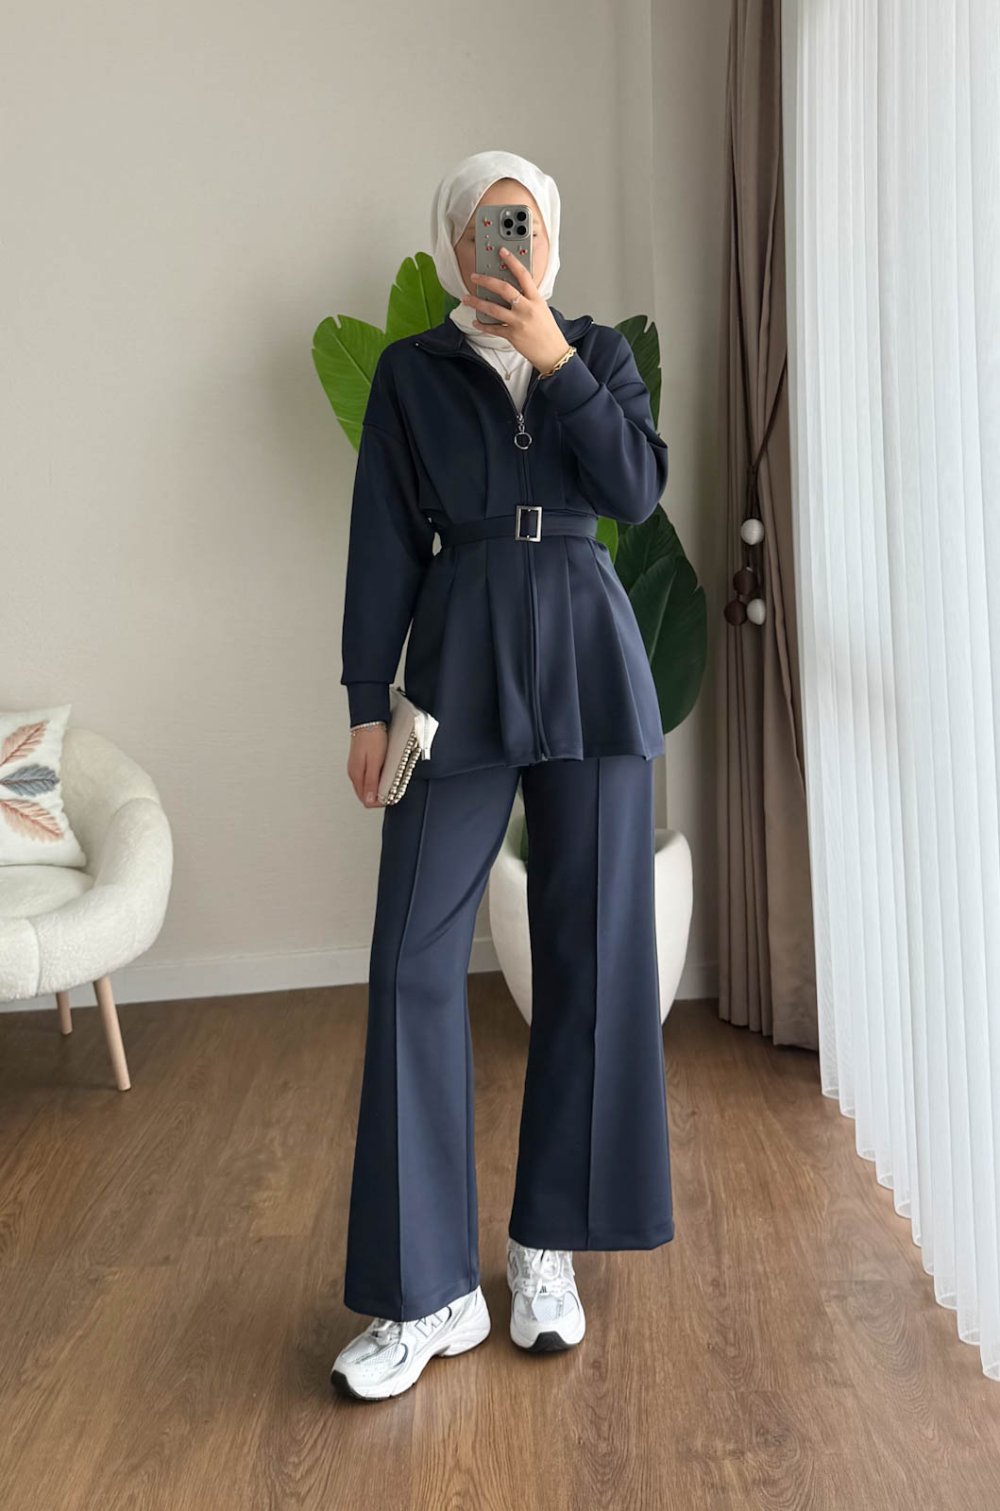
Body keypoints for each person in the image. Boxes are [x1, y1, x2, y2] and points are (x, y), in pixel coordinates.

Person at [331, 149, 674, 1403]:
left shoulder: (600, 355)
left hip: (589, 664)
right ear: (450, 247)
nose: (506, 248)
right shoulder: (409, 373)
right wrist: (366, 702)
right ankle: (426, 1292)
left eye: (523, 226)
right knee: (412, 959)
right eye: (484, 230)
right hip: (457, 667)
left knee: (594, 957)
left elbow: (633, 487)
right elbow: (381, 539)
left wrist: (554, 357)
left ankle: (545, 1249)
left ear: (552, 238)